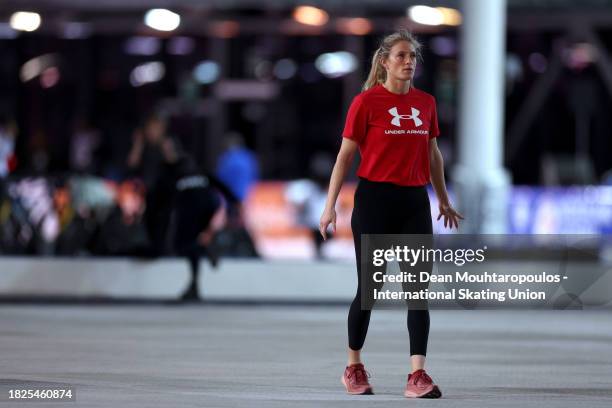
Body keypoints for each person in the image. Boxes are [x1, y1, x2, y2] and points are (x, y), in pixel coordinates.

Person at [319, 30, 463, 399]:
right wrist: (329, 204)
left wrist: (443, 199)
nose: (409, 61)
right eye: (401, 55)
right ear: (384, 61)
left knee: (417, 293)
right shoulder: (366, 103)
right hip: (374, 203)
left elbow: (433, 156)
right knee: (370, 290)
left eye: (412, 56)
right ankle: (353, 366)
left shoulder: (426, 103)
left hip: (414, 203)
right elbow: (344, 158)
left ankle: (417, 376)